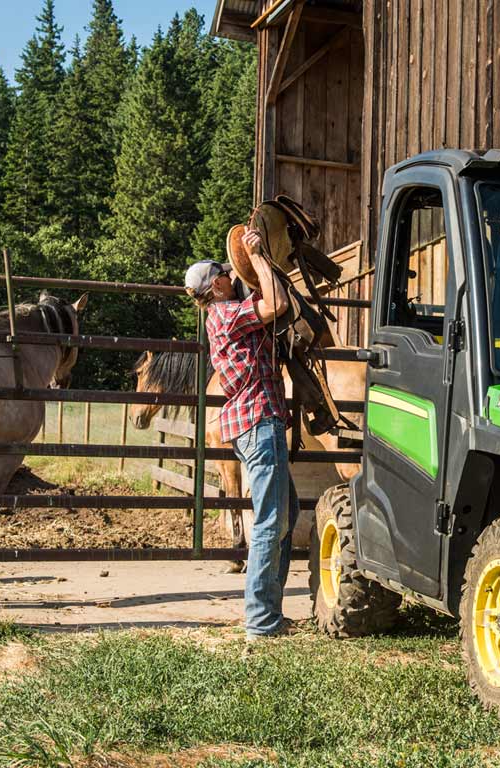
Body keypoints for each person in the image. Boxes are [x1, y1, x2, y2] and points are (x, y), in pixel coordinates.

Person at [184, 230, 299, 641]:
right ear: (215, 284)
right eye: (224, 272)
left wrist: (251, 260)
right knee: (270, 520)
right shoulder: (227, 314)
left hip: (255, 421)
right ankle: (261, 620)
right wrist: (256, 255)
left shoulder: (224, 313)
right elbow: (278, 303)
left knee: (287, 514)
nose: (231, 273)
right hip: (258, 420)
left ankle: (269, 611)